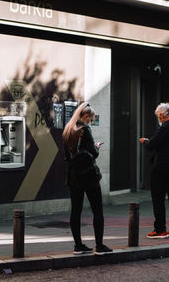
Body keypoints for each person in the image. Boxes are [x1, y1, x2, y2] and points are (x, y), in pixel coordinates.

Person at [62, 102, 112, 255]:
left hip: (73, 175)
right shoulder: (85, 130)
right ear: (84, 116)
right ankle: (99, 246)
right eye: (90, 118)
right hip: (89, 175)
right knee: (97, 210)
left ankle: (78, 246)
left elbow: (67, 155)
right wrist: (96, 147)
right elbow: (93, 153)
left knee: (76, 211)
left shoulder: (68, 129)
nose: (90, 121)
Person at [139, 102, 169, 239]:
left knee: (158, 198)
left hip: (161, 166)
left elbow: (153, 144)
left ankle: (160, 229)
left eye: (158, 116)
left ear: (161, 115)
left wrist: (145, 141)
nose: (158, 118)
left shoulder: (165, 128)